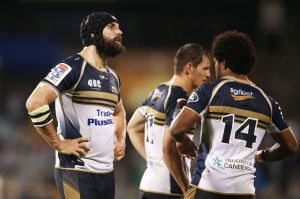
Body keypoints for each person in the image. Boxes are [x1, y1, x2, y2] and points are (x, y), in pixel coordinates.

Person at [170, 30, 298, 199]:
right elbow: (290, 146)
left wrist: (184, 142)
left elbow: (177, 129)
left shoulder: (210, 90)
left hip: (208, 188)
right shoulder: (268, 102)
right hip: (244, 192)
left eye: (215, 62)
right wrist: (262, 156)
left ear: (223, 63)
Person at [26, 12, 126, 199]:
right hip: (75, 171)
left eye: (119, 27)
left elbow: (119, 112)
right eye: (112, 27)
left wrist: (120, 139)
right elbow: (35, 102)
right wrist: (59, 144)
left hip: (106, 173)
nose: (119, 31)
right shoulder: (72, 67)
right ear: (94, 33)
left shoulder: (113, 77)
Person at [127, 43, 211, 199]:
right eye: (205, 68)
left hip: (149, 185)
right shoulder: (181, 98)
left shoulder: (157, 91)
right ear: (189, 68)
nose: (209, 75)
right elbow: (168, 148)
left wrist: (154, 161)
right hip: (169, 190)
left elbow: (133, 128)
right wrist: (187, 190)